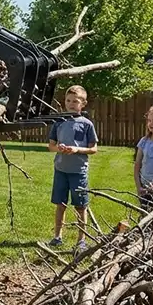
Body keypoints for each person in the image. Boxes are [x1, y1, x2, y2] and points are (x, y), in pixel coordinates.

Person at [47, 84, 98, 250]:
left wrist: (77, 149)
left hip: (78, 171)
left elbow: (93, 149)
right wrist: (59, 148)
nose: (71, 104)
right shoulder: (58, 122)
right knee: (60, 204)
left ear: (83, 104)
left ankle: (81, 240)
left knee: (80, 206)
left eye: (75, 101)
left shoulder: (87, 124)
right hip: (61, 170)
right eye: (68, 100)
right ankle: (57, 237)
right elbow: (51, 146)